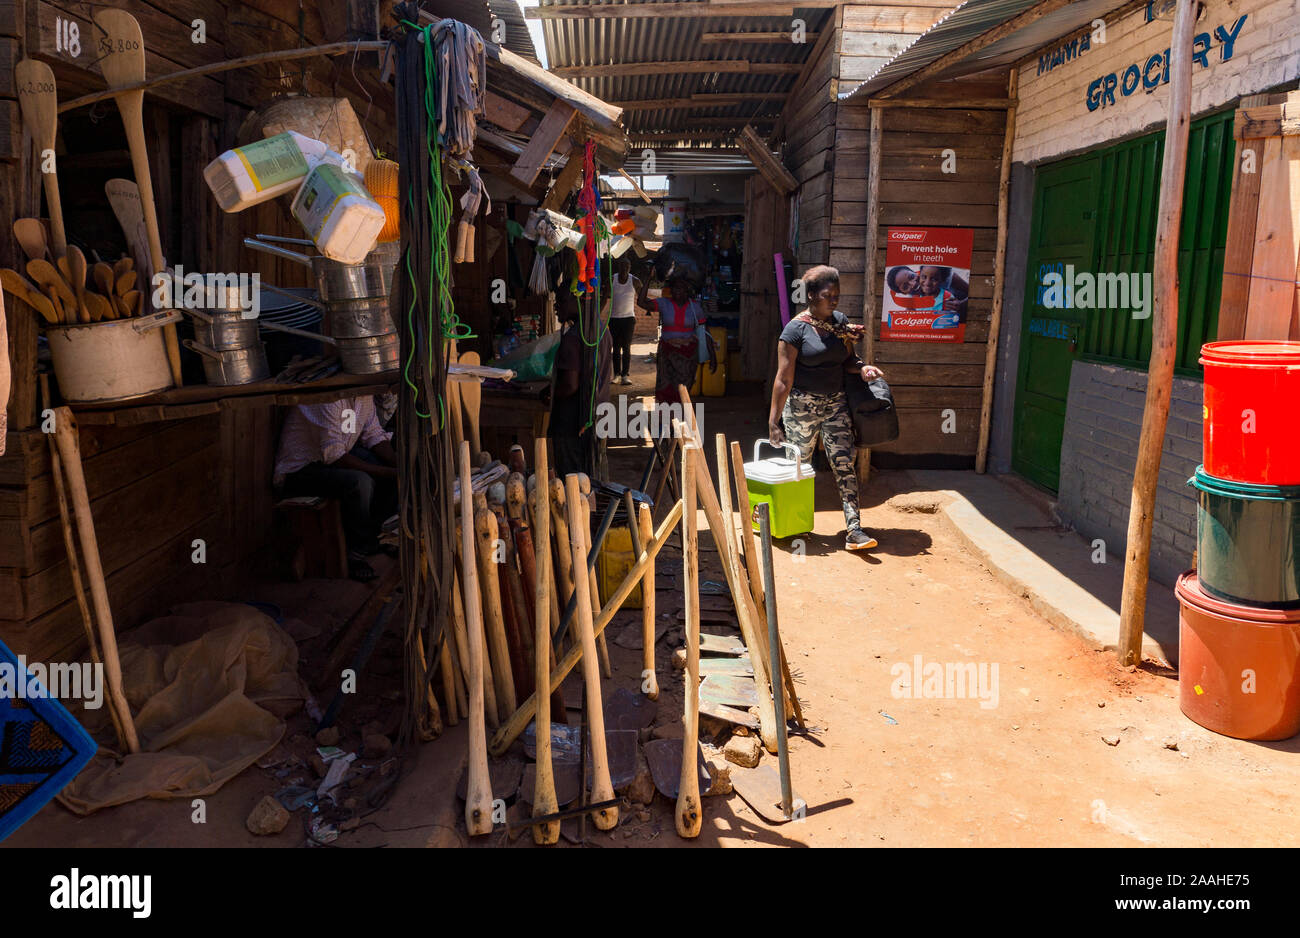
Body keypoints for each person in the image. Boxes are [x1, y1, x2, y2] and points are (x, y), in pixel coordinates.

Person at [768, 265, 883, 551]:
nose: (833, 301)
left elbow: (849, 361)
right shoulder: (794, 331)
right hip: (801, 408)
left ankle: (854, 529)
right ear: (810, 296)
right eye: (827, 295)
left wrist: (864, 369)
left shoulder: (840, 323)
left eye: (836, 295)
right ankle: (794, 524)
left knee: (845, 465)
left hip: (836, 405)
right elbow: (783, 378)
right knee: (799, 469)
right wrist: (774, 421)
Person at [275, 395, 398, 581]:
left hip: (330, 460)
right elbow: (334, 454)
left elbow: (373, 434)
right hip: (300, 470)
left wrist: (399, 465)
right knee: (360, 482)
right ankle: (355, 556)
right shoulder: (327, 399)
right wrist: (384, 472)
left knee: (386, 476)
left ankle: (371, 540)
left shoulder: (363, 396)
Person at [551, 287, 612, 479]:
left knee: (571, 481)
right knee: (590, 479)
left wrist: (551, 394)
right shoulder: (602, 331)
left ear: (578, 302)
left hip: (573, 422)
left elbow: (570, 385)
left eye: (560, 300)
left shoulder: (573, 338)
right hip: (597, 416)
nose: (555, 306)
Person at [638, 275, 716, 405]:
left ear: (687, 291)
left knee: (683, 390)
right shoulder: (664, 303)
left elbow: (704, 333)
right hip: (666, 354)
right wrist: (648, 279)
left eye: (681, 288)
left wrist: (712, 356)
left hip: (687, 356)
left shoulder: (695, 308)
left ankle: (679, 419)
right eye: (674, 288)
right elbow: (641, 303)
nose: (677, 291)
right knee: (664, 388)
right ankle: (665, 421)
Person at [608, 257, 641, 385]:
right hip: (614, 318)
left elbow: (641, 296)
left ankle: (625, 375)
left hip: (628, 319)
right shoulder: (612, 279)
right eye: (622, 266)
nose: (625, 268)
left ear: (630, 267)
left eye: (627, 266)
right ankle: (616, 374)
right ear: (619, 267)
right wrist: (597, 314)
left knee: (626, 347)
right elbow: (605, 297)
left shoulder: (635, 281)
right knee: (615, 347)